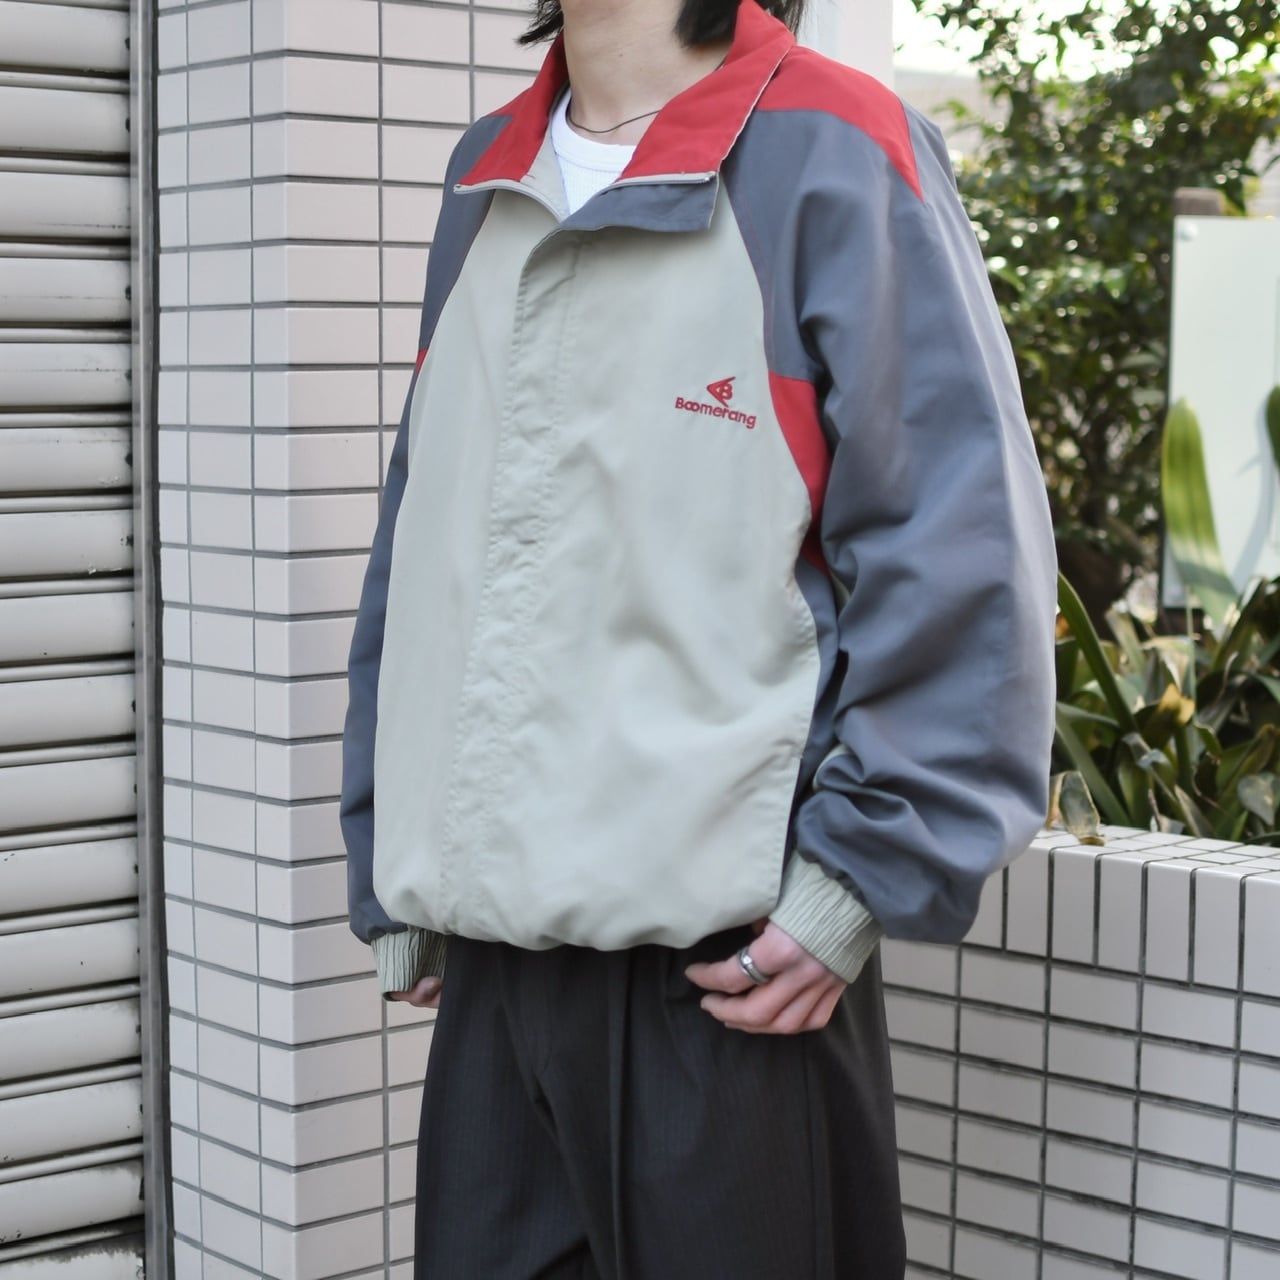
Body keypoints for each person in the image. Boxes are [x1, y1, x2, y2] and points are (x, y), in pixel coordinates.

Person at [341, 0, 1057, 1273]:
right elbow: (429, 531)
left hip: (728, 979)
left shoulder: (833, 146)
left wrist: (856, 879)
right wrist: (397, 851)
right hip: (494, 978)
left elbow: (957, 544)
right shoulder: (486, 168)